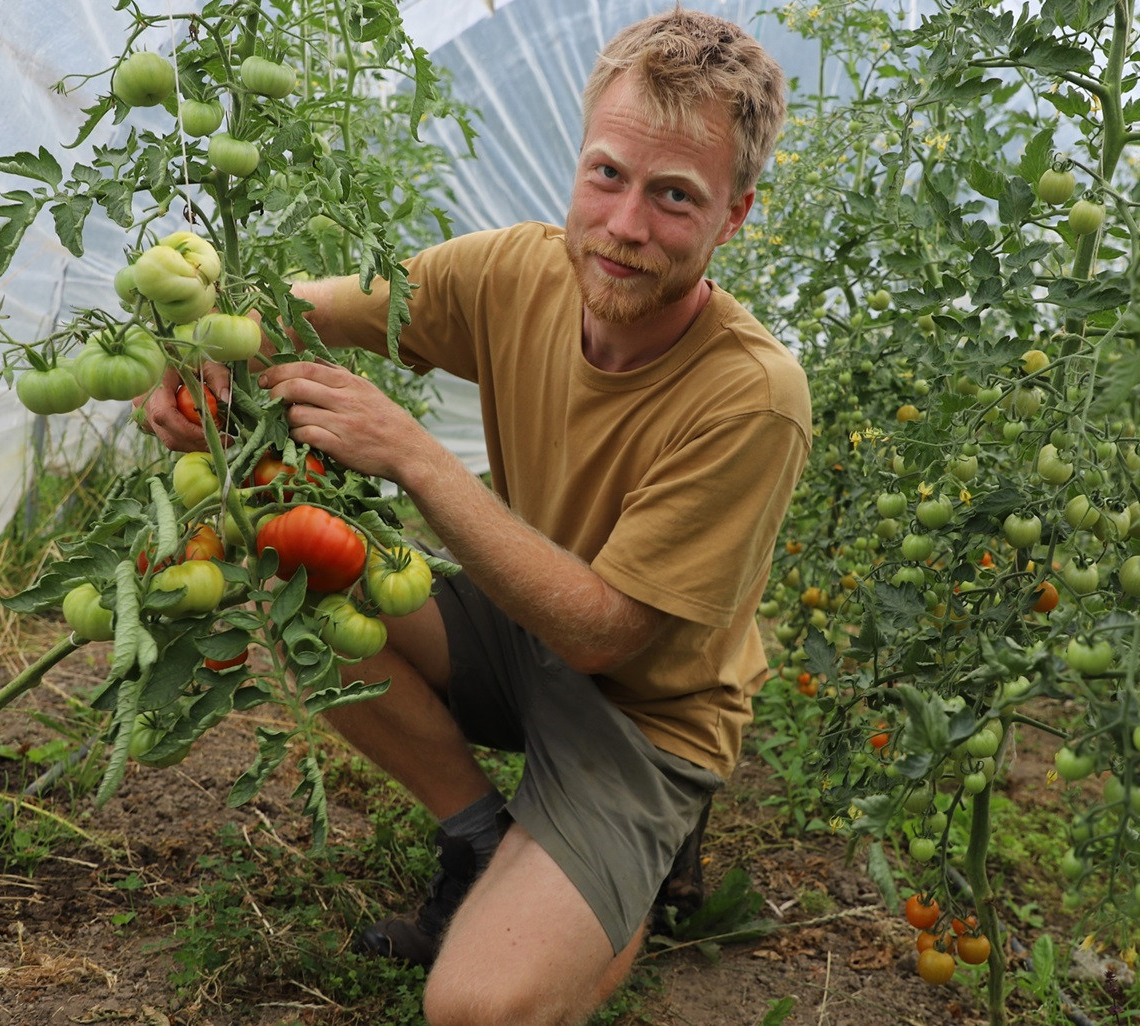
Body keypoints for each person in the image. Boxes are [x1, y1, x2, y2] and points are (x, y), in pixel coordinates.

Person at [140, 10, 809, 1024]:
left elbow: (601, 634)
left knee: (476, 1008)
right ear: (578, 163)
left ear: (736, 216)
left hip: (644, 712)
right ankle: (481, 839)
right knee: (274, 538)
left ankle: (631, 862)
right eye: (608, 174)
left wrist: (412, 456)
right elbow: (304, 306)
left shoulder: (752, 396)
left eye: (676, 197)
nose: (625, 225)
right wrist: (191, 354)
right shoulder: (517, 271)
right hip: (515, 627)